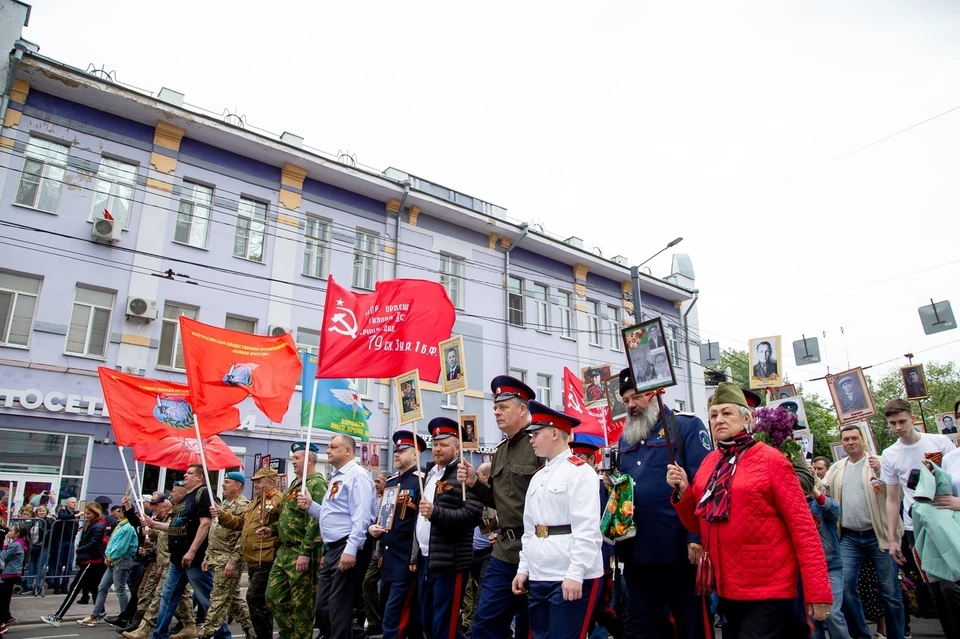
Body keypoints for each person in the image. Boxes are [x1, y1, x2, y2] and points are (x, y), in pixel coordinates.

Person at [667, 383, 832, 638]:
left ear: (746, 418)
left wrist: (818, 591)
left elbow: (803, 528)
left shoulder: (771, 460)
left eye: (726, 413)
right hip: (727, 587)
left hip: (769, 587)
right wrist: (683, 491)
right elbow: (696, 523)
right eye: (713, 415)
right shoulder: (710, 463)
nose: (718, 419)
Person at [612, 367, 712, 639]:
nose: (631, 405)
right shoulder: (625, 439)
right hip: (637, 553)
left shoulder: (686, 427)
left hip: (678, 550)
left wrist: (696, 534)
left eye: (636, 397)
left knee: (690, 627)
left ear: (655, 392)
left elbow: (705, 486)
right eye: (626, 401)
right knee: (640, 628)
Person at [457, 376, 540, 639]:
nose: (496, 412)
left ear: (522, 409)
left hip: (536, 548)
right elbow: (498, 499)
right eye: (495, 407)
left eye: (503, 407)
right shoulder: (501, 450)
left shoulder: (539, 443)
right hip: (504, 550)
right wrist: (473, 483)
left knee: (531, 628)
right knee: (485, 625)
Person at [512, 402, 602, 639]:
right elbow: (530, 530)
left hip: (569, 572)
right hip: (540, 573)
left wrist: (575, 573)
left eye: (536, 433)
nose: (531, 439)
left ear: (554, 433)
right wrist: (524, 568)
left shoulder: (580, 472)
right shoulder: (537, 477)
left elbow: (587, 530)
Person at [880, 398, 954, 636]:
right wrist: (892, 538)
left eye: (902, 421)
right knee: (934, 586)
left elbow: (956, 480)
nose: (898, 427)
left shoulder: (940, 442)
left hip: (948, 518)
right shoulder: (890, 454)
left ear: (913, 418)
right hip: (916, 527)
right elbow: (893, 498)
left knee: (953, 582)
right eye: (893, 423)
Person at [824, 424, 905, 639]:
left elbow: (898, 496)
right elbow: (823, 490)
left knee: (890, 591)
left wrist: (881, 471)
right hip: (849, 536)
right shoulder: (837, 468)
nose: (850, 442)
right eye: (846, 439)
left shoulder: (878, 463)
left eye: (854, 438)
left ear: (863, 440)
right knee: (846, 587)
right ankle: (861, 635)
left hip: (878, 535)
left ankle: (897, 635)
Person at [299, 435, 376, 639]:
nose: (328, 451)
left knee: (338, 607)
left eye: (333, 447)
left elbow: (361, 517)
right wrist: (311, 506)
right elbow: (334, 513)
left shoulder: (357, 475)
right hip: (333, 548)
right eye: (328, 447)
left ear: (348, 451)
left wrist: (351, 550)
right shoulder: (337, 476)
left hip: (348, 545)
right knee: (323, 606)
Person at [415, 417, 483, 639]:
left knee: (446, 625)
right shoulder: (430, 473)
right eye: (435, 444)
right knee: (428, 620)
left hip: (450, 561)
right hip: (427, 559)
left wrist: (436, 513)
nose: (437, 449)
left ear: (456, 448)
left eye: (444, 444)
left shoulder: (464, 475)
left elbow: (472, 514)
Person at [140, 464, 221, 639]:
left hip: (193, 560)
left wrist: (192, 551)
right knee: (167, 598)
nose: (185, 475)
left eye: (189, 473)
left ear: (199, 477)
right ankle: (159, 635)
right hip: (177, 561)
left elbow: (205, 524)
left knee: (208, 601)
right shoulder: (185, 499)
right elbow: (176, 527)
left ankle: (223, 635)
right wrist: (154, 525)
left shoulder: (204, 493)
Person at [258, 442, 326, 639]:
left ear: (310, 460)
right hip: (285, 551)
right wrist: (271, 530)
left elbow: (316, 521)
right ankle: (291, 635)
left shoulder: (316, 484)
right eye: (293, 458)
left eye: (297, 458)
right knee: (273, 597)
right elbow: (287, 517)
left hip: (301, 551)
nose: (293, 461)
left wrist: (305, 552)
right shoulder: (295, 484)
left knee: (302, 604)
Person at [370, 430, 426, 639]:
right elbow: (384, 520)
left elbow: (419, 525)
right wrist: (377, 540)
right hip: (388, 558)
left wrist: (414, 556)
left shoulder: (420, 481)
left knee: (394, 618)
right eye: (395, 451)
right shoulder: (392, 482)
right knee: (393, 610)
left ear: (415, 454)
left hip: (406, 558)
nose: (396, 454)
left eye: (402, 450)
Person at [215, 468, 282, 639]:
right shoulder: (255, 502)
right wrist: (223, 515)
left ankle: (263, 635)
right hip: (252, 558)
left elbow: (284, 524)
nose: (256, 484)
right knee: (258, 601)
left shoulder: (277, 500)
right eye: (255, 481)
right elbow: (240, 523)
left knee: (255, 598)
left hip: (266, 557)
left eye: (259, 481)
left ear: (271, 482)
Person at [570, 437, 622, 639]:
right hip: (576, 554)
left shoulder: (600, 485)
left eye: (580, 458)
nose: (575, 461)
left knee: (601, 606)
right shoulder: (572, 482)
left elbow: (605, 520)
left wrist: (609, 554)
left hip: (599, 554)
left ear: (592, 461)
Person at [122, 498, 197, 639]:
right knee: (181, 597)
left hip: (170, 565)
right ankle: (188, 624)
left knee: (159, 596)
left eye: (159, 506)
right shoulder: (161, 521)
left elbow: (175, 544)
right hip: (160, 564)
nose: (156, 509)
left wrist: (167, 563)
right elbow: (148, 531)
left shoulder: (176, 520)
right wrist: (130, 511)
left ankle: (144, 628)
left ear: (167, 507)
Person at [201, 472, 252, 639]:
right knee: (235, 602)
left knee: (218, 600)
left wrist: (233, 561)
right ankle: (253, 632)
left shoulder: (243, 506)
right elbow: (214, 531)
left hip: (228, 560)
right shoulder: (224, 504)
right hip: (217, 558)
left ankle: (204, 634)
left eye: (227, 482)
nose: (223, 485)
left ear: (237, 486)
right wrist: (207, 555)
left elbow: (242, 537)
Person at [41, 503, 108, 627]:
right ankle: (100, 613)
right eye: (86, 513)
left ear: (95, 513)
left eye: (89, 513)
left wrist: (80, 550)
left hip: (91, 560)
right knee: (94, 588)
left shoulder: (98, 526)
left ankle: (58, 616)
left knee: (75, 588)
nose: (86, 516)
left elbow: (94, 543)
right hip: (91, 560)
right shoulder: (95, 524)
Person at [801, 470, 849, 639]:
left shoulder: (821, 502)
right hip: (806, 569)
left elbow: (835, 512)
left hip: (831, 566)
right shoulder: (794, 504)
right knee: (813, 618)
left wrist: (813, 489)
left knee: (833, 614)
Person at [79, 502, 139, 627]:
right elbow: (114, 542)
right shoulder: (121, 525)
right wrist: (109, 557)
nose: (117, 513)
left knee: (120, 589)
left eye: (120, 511)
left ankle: (124, 617)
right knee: (102, 587)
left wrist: (111, 557)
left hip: (121, 560)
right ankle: (96, 614)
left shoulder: (128, 527)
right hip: (113, 560)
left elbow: (121, 546)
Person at [461, 463, 498, 635]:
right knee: (469, 592)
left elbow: (503, 518)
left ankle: (473, 631)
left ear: (485, 477)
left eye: (479, 474)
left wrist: (498, 533)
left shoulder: (493, 495)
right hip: (471, 551)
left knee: (483, 593)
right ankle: (468, 623)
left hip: (488, 553)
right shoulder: (470, 492)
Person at [360, 472, 388, 637]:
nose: (375, 484)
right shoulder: (377, 499)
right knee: (367, 582)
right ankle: (375, 621)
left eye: (378, 481)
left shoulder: (390, 499)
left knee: (384, 587)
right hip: (375, 548)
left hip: (384, 549)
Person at [49, 497, 81, 595]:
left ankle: (65, 585)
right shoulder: (63, 511)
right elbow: (62, 517)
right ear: (67, 503)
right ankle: (56, 585)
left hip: (71, 540)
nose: (74, 504)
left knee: (69, 564)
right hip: (61, 540)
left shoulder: (77, 512)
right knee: (58, 563)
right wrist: (75, 515)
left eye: (75, 502)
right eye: (72, 502)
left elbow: (75, 523)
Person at [0, 523, 28, 632]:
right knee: (5, 598)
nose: (9, 533)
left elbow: (5, 556)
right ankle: (6, 618)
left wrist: (4, 546)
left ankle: (7, 618)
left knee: (3, 598)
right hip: (12, 573)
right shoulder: (18, 544)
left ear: (17, 534)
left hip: (9, 573)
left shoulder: (16, 545)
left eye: (11, 531)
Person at [24, 504, 55, 593]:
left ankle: (38, 585)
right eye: (40, 511)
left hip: (43, 546)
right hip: (33, 545)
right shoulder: (34, 521)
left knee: (40, 566)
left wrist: (44, 542)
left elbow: (51, 533)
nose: (41, 512)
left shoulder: (49, 521)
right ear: (36, 512)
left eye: (43, 511)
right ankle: (29, 585)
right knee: (31, 566)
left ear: (46, 512)